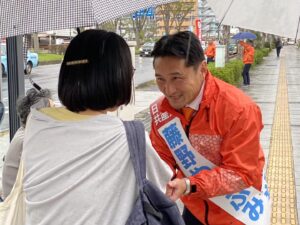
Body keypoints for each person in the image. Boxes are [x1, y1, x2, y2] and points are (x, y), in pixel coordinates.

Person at [21, 30, 172, 225]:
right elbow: (164, 188)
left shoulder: (37, 122)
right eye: (129, 72)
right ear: (117, 77)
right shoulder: (128, 138)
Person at [149, 31, 266, 225]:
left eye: (177, 78)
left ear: (202, 69)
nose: (168, 90)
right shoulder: (162, 111)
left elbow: (243, 173)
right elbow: (161, 161)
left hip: (234, 214)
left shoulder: (238, 109)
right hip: (193, 207)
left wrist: (190, 184)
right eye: (160, 79)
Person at [2, 88, 53, 199]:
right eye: (53, 110)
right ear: (39, 116)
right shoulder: (29, 140)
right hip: (18, 206)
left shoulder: (24, 131)